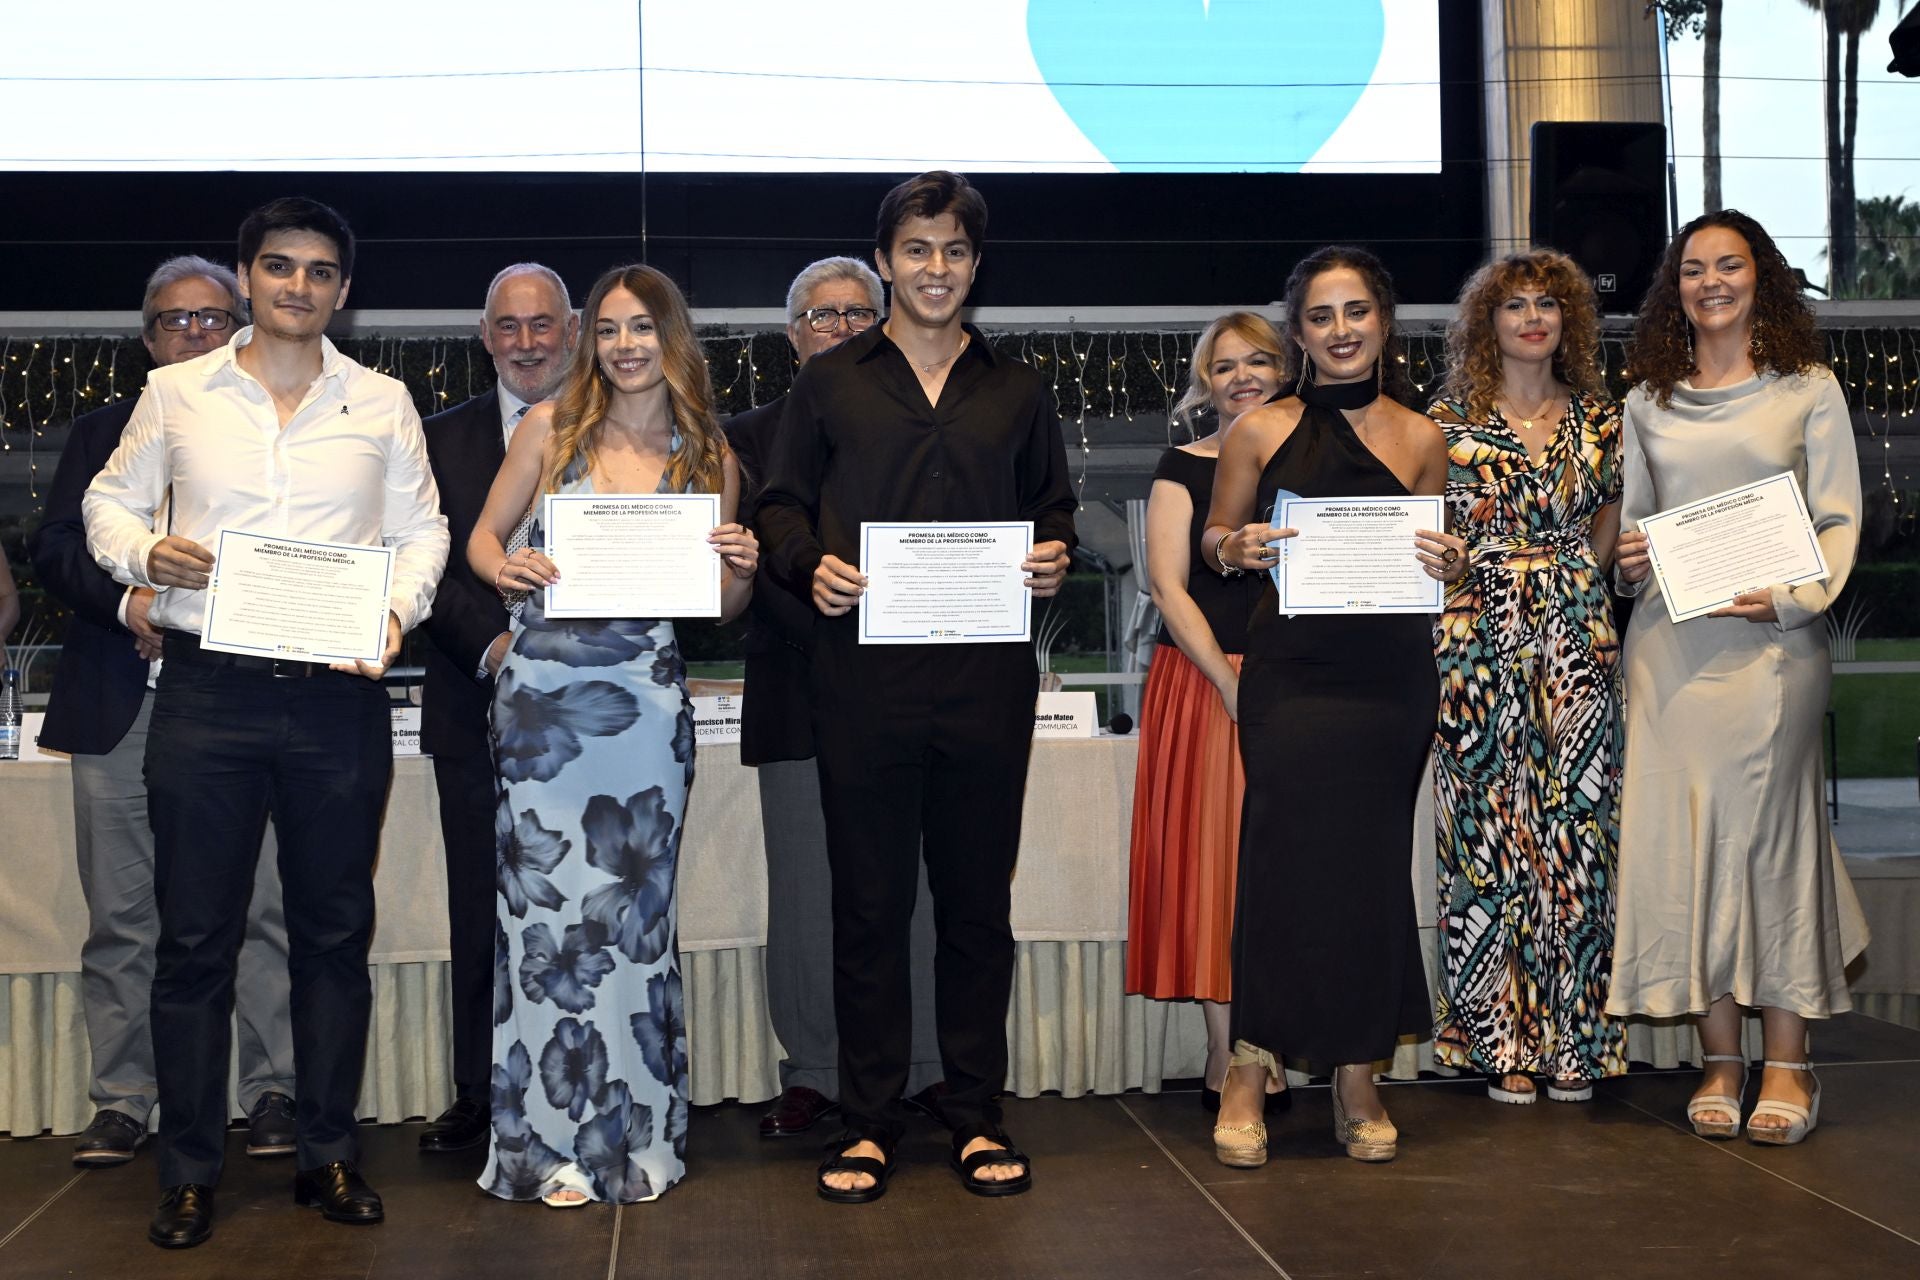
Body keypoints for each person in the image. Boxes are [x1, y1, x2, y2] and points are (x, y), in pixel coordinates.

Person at [84, 198, 448, 1248]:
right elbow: (107, 503)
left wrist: (395, 610)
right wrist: (144, 554)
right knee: (195, 940)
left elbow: (424, 531)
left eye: (321, 271)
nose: (299, 285)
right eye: (280, 266)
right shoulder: (175, 392)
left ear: (344, 289)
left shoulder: (381, 400)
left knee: (333, 936)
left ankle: (329, 1155)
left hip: (339, 695)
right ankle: (188, 1170)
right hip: (209, 692)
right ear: (247, 277)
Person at [757, 170, 1075, 1203]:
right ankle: (868, 1121)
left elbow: (1054, 507)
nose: (936, 268)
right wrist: (808, 561)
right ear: (886, 261)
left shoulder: (1018, 389)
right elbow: (777, 503)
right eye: (917, 249)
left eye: (955, 250)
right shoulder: (829, 382)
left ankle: (976, 1113)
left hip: (986, 682)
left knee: (978, 909)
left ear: (975, 265)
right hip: (863, 682)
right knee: (869, 908)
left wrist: (1055, 553)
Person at [470, 263, 758, 1206]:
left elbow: (720, 605)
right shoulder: (549, 428)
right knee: (541, 920)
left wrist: (743, 566)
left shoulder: (708, 453)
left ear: (672, 339)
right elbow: (480, 538)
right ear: (588, 341)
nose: (625, 346)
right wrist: (508, 569)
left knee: (635, 922)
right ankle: (541, 1143)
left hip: (645, 701)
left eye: (642, 328)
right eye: (607, 329)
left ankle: (632, 1140)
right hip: (541, 704)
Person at [31, 257, 300, 1169]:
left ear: (242, 328)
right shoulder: (101, 431)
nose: (195, 333)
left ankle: (272, 1091)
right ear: (148, 339)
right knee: (124, 919)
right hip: (121, 707)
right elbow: (57, 548)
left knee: (260, 906)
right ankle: (123, 1100)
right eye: (175, 320)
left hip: (243, 701)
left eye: (213, 318)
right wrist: (131, 603)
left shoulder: (276, 433)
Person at [1202, 246, 1467, 1166]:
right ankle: (1249, 1068)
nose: (1341, 329)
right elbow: (1213, 538)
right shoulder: (1258, 430)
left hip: (1389, 680)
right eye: (1321, 315)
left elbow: (1429, 558)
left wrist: (1452, 563)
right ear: (1299, 332)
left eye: (1357, 311)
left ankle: (1359, 1074)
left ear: (1384, 322)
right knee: (1279, 861)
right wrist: (1235, 549)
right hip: (1292, 676)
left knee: (1370, 870)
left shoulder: (1424, 437)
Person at [1607, 209, 1867, 1146]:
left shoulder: (1809, 388)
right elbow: (1636, 527)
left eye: (1729, 264)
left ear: (1763, 278)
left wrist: (1793, 598)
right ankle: (1720, 1058)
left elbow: (1837, 519)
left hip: (1772, 653)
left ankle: (1789, 1059)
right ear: (1672, 288)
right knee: (1686, 848)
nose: (1710, 281)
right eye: (1692, 268)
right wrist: (1628, 562)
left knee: (1770, 846)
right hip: (1669, 650)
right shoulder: (1648, 401)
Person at [725, 257, 946, 1140]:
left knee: (919, 886)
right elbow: (752, 566)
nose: (843, 328)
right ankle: (815, 1070)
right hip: (801, 693)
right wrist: (849, 630)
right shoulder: (746, 437)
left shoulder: (926, 421)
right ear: (793, 336)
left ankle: (925, 1067)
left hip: (918, 692)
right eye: (823, 316)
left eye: (859, 313)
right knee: (809, 894)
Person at [1426, 249, 1626, 1104]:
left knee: (1578, 833)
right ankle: (1499, 1041)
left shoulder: (1604, 418)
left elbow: (1611, 513)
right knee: (1486, 834)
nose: (1533, 317)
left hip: (1577, 637)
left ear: (1568, 319)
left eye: (1548, 303)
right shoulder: (1444, 423)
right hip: (1475, 637)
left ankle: (1576, 1043)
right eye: (1515, 305)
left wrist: (1577, 576)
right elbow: (1423, 524)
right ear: (1488, 323)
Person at [416, 263, 579, 1154]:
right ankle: (479, 1093)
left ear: (572, 330)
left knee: (585, 903)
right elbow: (422, 563)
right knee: (482, 906)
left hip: (594, 716)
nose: (525, 342)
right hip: (474, 698)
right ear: (485, 338)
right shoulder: (434, 439)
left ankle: (581, 1085)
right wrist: (499, 648)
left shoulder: (623, 427)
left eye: (541, 324)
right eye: (508, 327)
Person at [1125, 311, 1284, 1112]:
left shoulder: (1320, 467)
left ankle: (1273, 1038)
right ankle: (1228, 1050)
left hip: (1302, 684)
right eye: (1225, 366)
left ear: (1286, 370)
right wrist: (1226, 683)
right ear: (1205, 384)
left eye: (1258, 361)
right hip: (1204, 682)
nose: (1243, 377)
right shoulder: (1180, 468)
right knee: (1214, 867)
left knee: (1287, 868)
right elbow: (1167, 585)